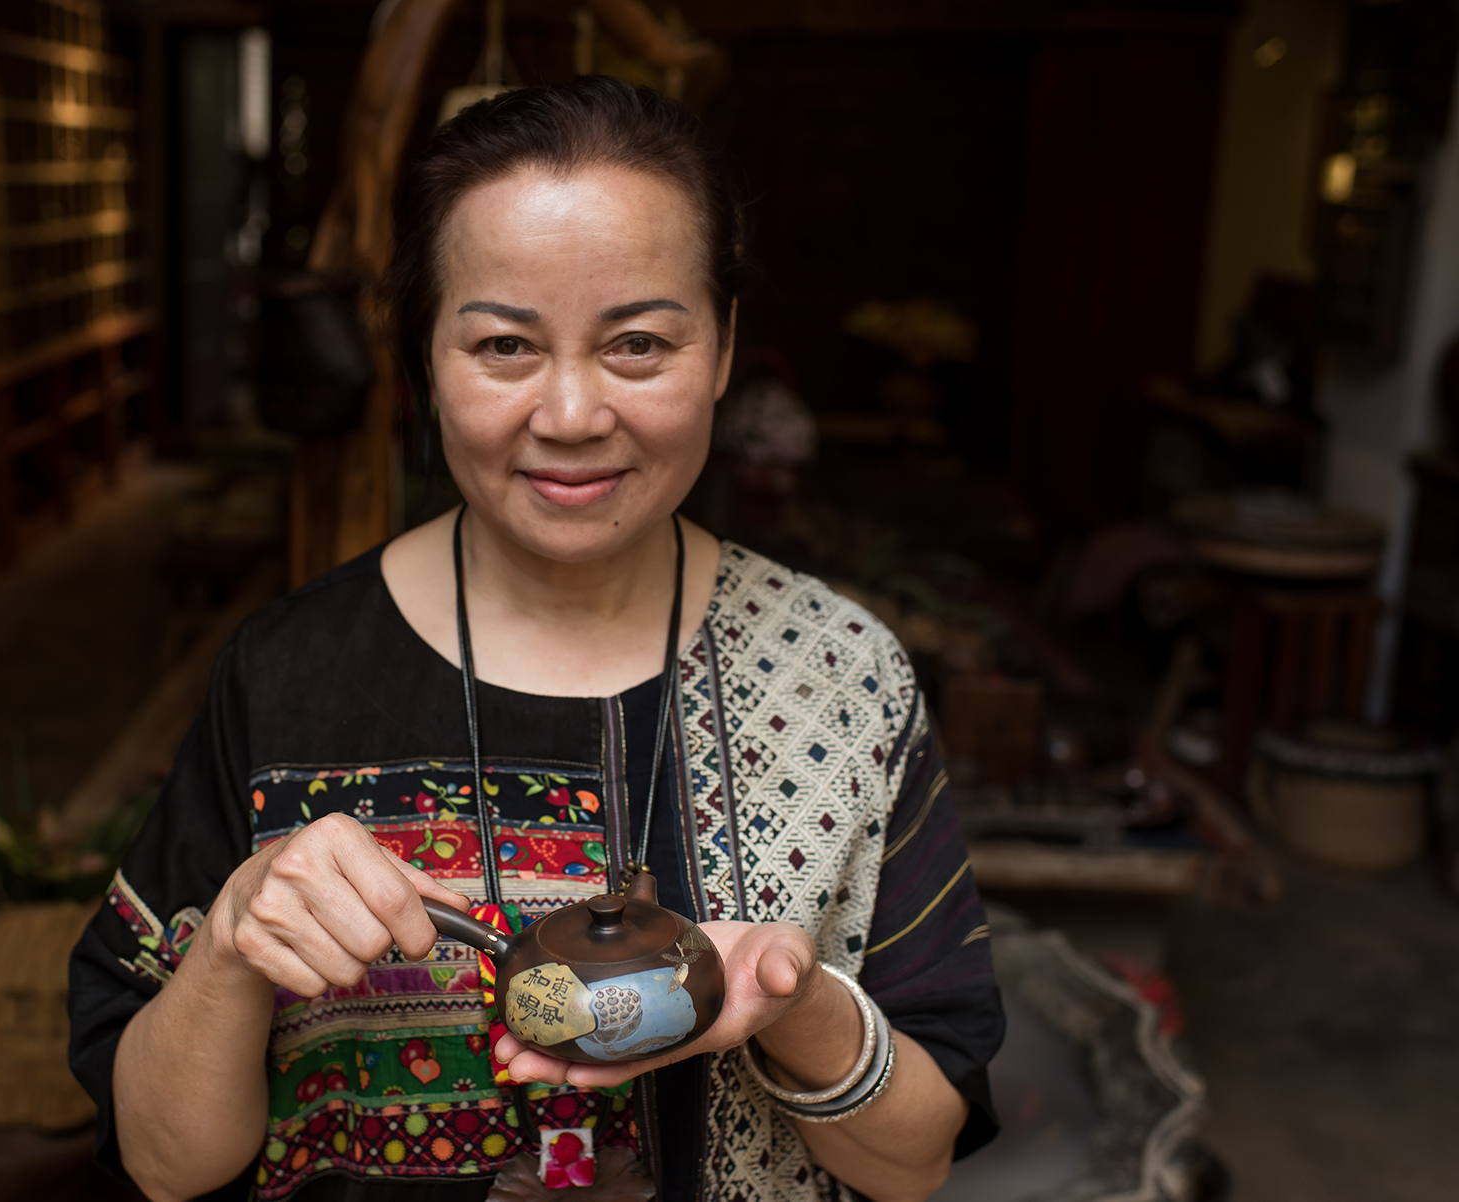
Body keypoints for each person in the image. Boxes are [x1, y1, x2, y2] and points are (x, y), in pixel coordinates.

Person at [68, 76, 1003, 1202]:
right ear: (425, 356)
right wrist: (229, 941)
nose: (569, 414)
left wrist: (796, 1006)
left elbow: (918, 1163)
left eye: (639, 344)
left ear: (724, 344)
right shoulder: (286, 674)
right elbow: (166, 1164)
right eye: (505, 346)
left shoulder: (840, 676)